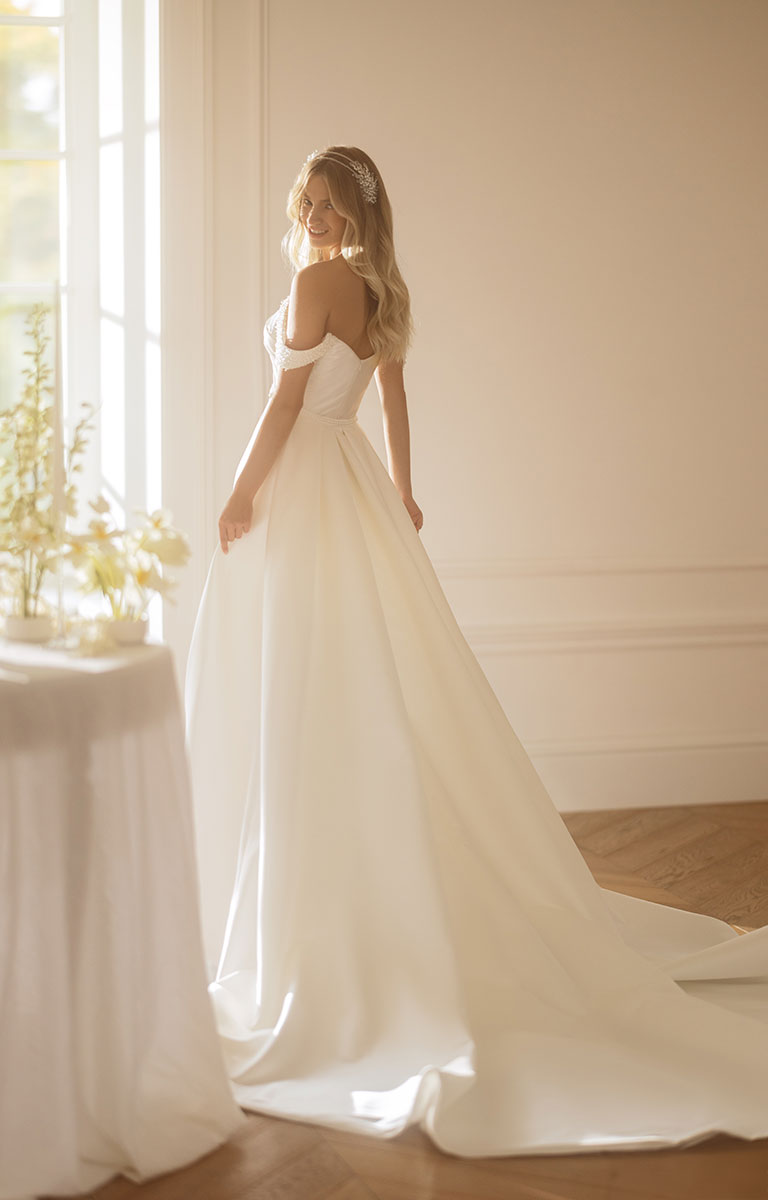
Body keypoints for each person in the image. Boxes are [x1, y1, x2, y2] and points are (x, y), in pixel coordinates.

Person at [184, 145, 768, 1158]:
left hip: (305, 485)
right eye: (308, 204)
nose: (316, 218)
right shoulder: (377, 287)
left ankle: (315, 903)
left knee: (306, 684)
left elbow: (284, 405)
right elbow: (392, 401)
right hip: (351, 485)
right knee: (353, 683)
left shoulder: (319, 282)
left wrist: (240, 492)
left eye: (331, 205)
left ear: (355, 212)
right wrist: (404, 490)